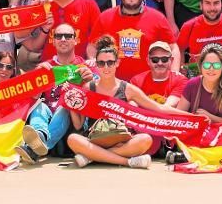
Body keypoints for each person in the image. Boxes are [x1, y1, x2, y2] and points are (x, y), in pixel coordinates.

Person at [67, 35, 183, 169]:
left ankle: (92, 157)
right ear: (96, 64)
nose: (106, 67)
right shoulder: (88, 88)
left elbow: (159, 108)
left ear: (117, 63)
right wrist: (71, 100)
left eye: (110, 62)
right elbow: (78, 124)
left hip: (121, 141)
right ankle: (127, 162)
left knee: (145, 140)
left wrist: (192, 117)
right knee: (73, 139)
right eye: (101, 63)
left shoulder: (128, 89)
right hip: (95, 140)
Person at [15, 23, 93, 165]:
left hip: (72, 118)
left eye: (68, 36)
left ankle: (34, 147)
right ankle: (39, 137)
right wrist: (38, 77)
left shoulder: (84, 67)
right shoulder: (46, 66)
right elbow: (33, 98)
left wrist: (90, 81)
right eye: (58, 36)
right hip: (47, 113)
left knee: (65, 105)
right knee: (39, 107)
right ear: (53, 40)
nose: (63, 39)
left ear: (76, 40)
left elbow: (97, 97)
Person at [87, 0, 178, 81]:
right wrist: (95, 67)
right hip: (112, 85)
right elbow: (92, 46)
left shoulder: (158, 18)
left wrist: (174, 74)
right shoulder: (105, 17)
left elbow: (173, 48)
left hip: (148, 85)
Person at [23, 0, 100, 63]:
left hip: (80, 70)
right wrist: (33, 7)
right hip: (49, 69)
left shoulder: (89, 3)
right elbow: (21, 34)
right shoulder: (41, 4)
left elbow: (98, 37)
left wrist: (92, 58)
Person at [176, 44, 222, 122]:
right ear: (201, 66)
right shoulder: (192, 84)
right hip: (198, 132)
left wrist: (210, 117)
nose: (211, 69)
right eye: (207, 65)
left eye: (216, 65)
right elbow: (179, 116)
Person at [130, 41, 187, 106]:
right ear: (148, 61)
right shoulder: (136, 81)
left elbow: (167, 107)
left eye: (164, 59)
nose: (160, 63)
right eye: (155, 59)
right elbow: (133, 106)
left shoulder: (180, 80)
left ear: (171, 60)